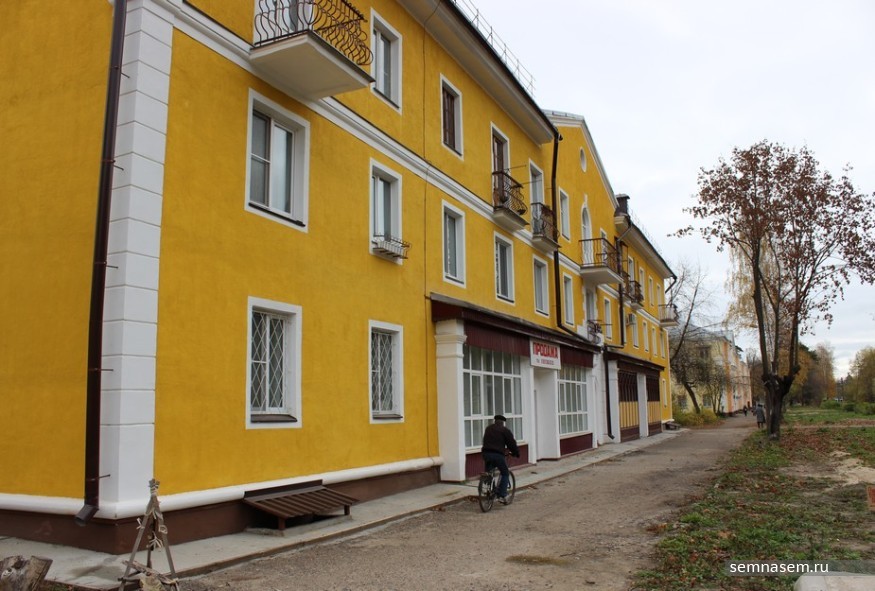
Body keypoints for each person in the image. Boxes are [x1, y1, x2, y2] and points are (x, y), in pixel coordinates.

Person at [481, 414, 520, 504]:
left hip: (486, 454)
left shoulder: (488, 429)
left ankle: (488, 487)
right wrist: (516, 453)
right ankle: (502, 495)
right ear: (503, 422)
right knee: (505, 473)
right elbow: (511, 443)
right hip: (498, 455)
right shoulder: (505, 430)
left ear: (495, 421)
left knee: (489, 472)